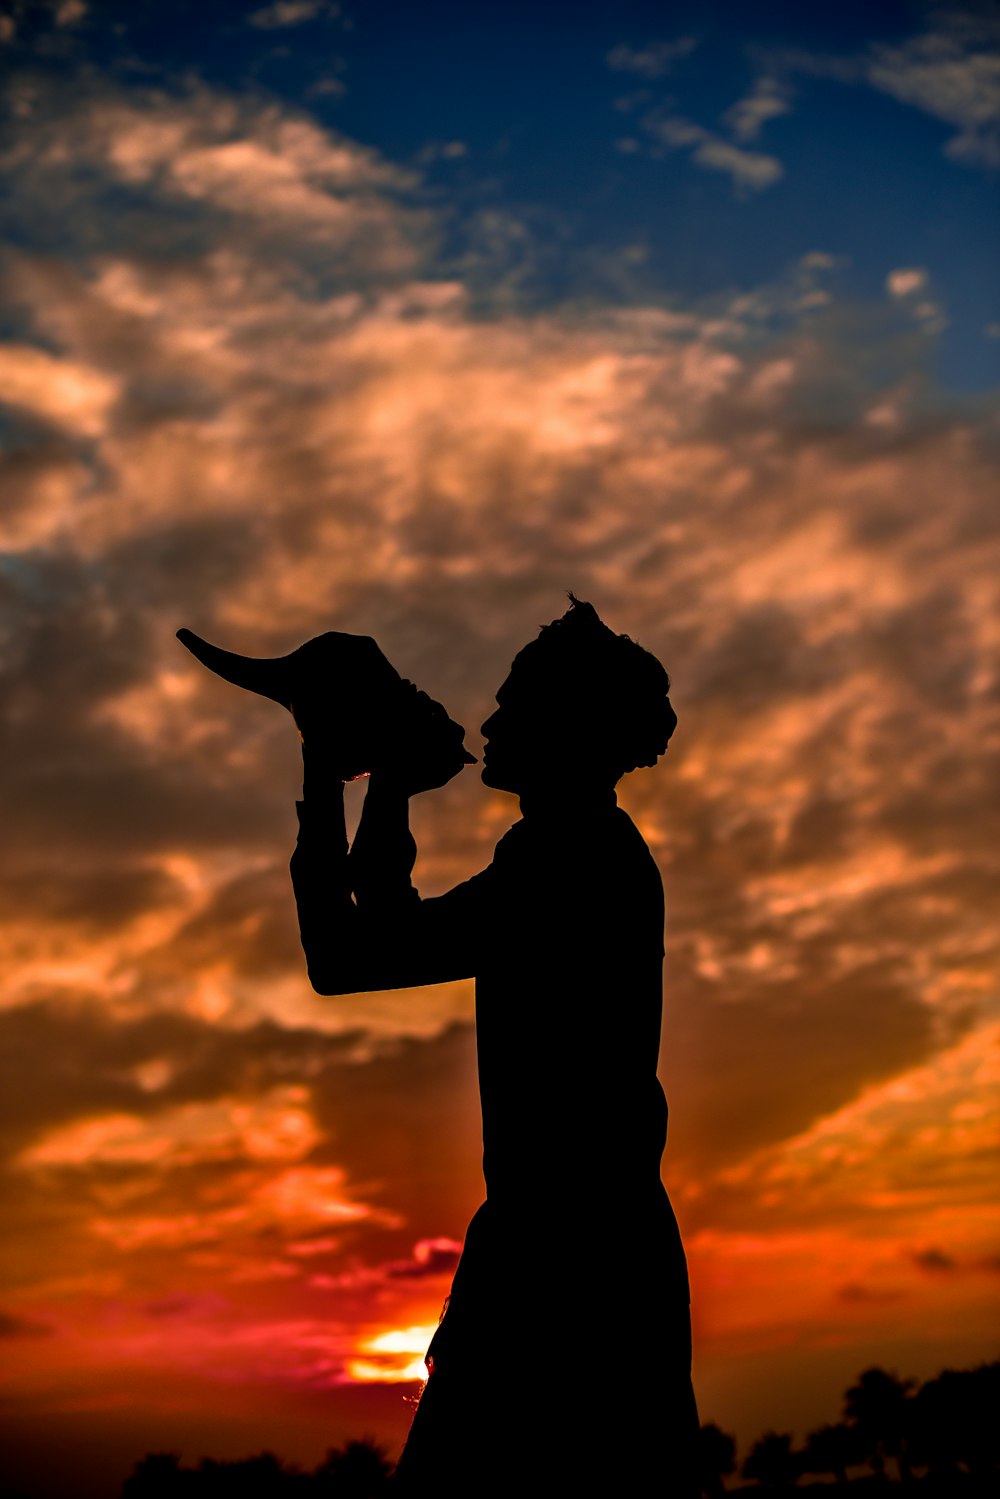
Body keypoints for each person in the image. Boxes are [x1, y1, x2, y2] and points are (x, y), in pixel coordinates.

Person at [288, 596, 700, 1497]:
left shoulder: (568, 865)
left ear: (567, 726)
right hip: (584, 1258)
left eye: (513, 705)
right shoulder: (566, 850)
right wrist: (383, 785)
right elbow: (390, 927)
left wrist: (328, 761)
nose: (490, 721)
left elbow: (348, 958)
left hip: (566, 1273)